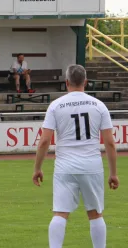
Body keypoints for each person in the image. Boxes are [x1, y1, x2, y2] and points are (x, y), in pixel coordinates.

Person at [32, 64, 119, 248]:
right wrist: (113, 173)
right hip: (91, 165)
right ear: (85, 82)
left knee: (60, 213)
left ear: (66, 82)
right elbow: (110, 142)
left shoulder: (55, 105)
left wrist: (37, 168)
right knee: (95, 214)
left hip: (65, 166)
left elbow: (45, 141)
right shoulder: (99, 106)